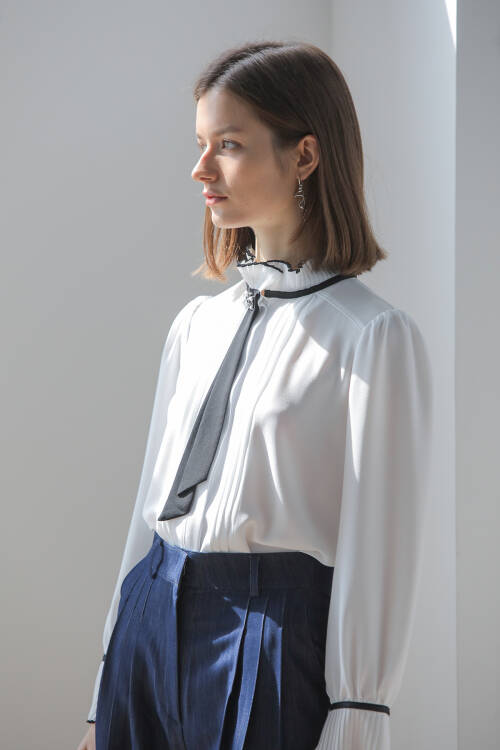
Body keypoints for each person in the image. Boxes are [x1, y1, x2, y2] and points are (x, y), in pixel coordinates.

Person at [77, 40, 433, 750]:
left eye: (229, 145)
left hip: (267, 639)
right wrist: (104, 691)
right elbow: (150, 510)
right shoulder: (196, 325)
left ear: (305, 156)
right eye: (201, 145)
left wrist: (357, 723)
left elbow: (380, 552)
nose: (200, 169)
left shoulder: (371, 337)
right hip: (150, 618)